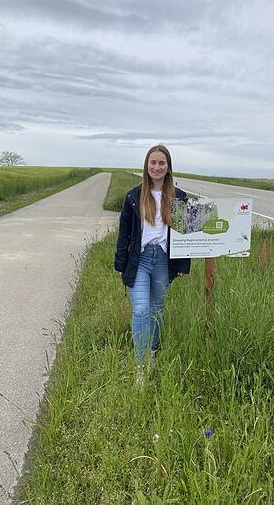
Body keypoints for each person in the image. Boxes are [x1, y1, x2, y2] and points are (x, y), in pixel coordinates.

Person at [114, 144, 191, 381]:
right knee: (140, 310)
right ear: (146, 166)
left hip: (163, 261)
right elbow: (124, 233)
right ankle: (140, 366)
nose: (157, 167)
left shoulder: (178, 197)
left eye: (162, 163)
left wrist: (182, 266)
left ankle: (154, 352)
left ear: (168, 168)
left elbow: (184, 233)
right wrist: (120, 265)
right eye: (153, 162)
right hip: (141, 260)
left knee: (157, 310)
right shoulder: (133, 196)